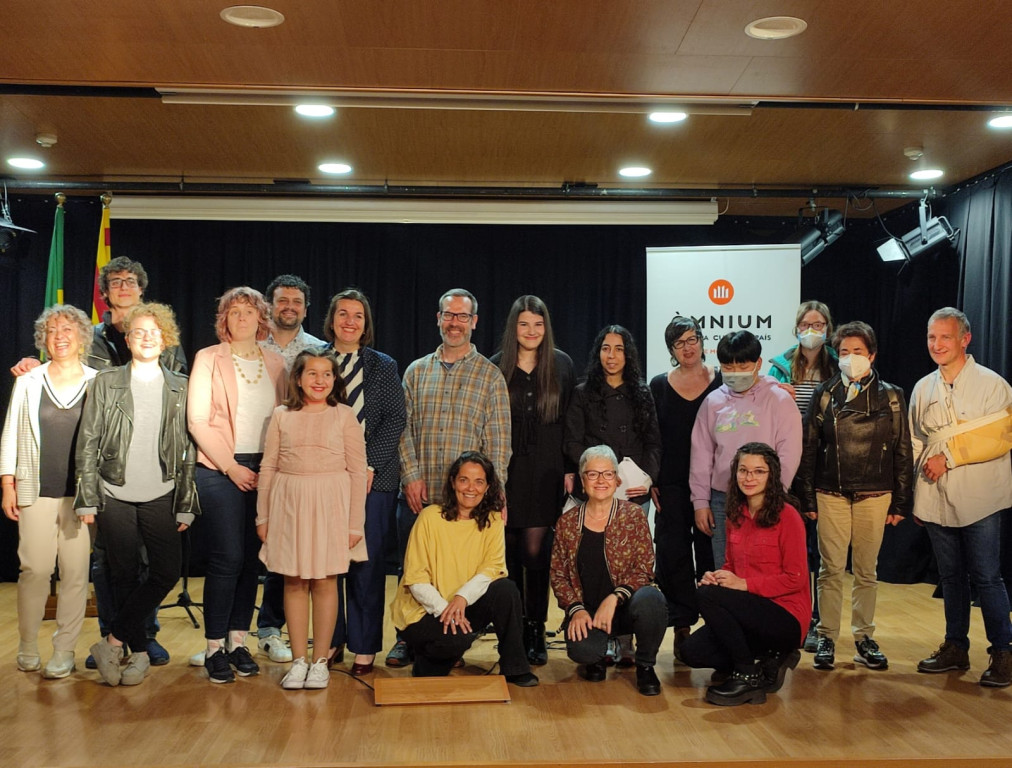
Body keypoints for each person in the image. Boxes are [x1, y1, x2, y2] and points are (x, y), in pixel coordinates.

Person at [10, 255, 185, 668]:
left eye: (131, 281)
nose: (124, 287)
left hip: (152, 469)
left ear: (142, 289)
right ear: (104, 293)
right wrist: (33, 364)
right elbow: (65, 373)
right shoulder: (94, 339)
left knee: (152, 562)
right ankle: (118, 635)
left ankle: (139, 633)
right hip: (106, 474)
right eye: (115, 282)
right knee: (111, 562)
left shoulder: (162, 340)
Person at [76, 303, 199, 686]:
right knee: (123, 573)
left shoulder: (181, 386)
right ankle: (141, 653)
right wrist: (87, 496)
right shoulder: (105, 381)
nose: (147, 338)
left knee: (164, 571)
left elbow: (189, 449)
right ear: (127, 339)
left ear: (167, 339)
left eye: (154, 332)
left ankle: (113, 642)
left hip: (162, 491)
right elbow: (88, 441)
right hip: (114, 491)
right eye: (139, 332)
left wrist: (186, 503)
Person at [387, 288, 511, 667]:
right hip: (419, 494)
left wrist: (497, 494)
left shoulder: (490, 376)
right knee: (412, 572)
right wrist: (410, 475)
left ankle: (452, 630)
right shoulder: (415, 371)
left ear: (474, 322)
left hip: (470, 500)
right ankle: (406, 639)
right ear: (438, 318)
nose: (455, 322)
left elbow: (499, 442)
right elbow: (401, 430)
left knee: (461, 573)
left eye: (462, 316)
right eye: (448, 315)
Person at [796, 321, 913, 671]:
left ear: (872, 355)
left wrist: (902, 499)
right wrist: (808, 498)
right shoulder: (826, 393)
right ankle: (827, 635)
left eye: (858, 352)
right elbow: (810, 448)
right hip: (830, 491)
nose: (850, 358)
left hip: (875, 492)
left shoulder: (892, 395)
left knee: (866, 570)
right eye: (844, 352)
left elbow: (902, 448)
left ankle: (864, 637)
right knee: (830, 569)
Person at [188, 287, 287, 684]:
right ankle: (214, 647)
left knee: (251, 560)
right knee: (227, 557)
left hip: (265, 470)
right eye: (234, 311)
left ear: (261, 318)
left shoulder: (276, 362)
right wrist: (231, 467)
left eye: (249, 311)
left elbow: (283, 418)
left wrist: (272, 469)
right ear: (224, 320)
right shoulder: (208, 358)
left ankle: (238, 642)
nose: (242, 317)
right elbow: (198, 420)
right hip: (219, 468)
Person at [909, 307, 1012, 687]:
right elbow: (916, 440)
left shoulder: (992, 384)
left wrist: (949, 457)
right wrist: (917, 494)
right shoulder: (923, 387)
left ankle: (1003, 651)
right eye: (932, 338)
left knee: (987, 576)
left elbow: (1000, 435)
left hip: (981, 494)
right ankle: (956, 646)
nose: (937, 345)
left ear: (965, 339)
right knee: (951, 577)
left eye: (945, 337)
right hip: (936, 494)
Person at [256, 350, 368, 689]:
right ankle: (298, 660)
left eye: (327, 374)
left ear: (335, 380)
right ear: (299, 378)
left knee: (324, 582)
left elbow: (357, 470)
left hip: (331, 505)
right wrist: (263, 515)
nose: (320, 380)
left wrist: (354, 524)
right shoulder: (281, 416)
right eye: (312, 374)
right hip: (289, 504)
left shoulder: (344, 416)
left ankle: (321, 660)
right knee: (293, 582)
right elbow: (269, 466)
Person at [1, 305, 97, 679]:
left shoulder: (98, 380)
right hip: (34, 490)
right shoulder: (27, 381)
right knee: (35, 570)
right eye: (53, 330)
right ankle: (27, 645)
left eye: (68, 329)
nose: (60, 335)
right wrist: (7, 483)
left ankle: (64, 649)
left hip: (81, 496)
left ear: (81, 337)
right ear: (44, 339)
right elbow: (11, 433)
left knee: (75, 574)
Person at [389, 451, 538, 687]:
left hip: (464, 605)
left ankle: (516, 668)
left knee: (506, 590)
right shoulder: (430, 517)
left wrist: (461, 598)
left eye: (479, 481)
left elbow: (492, 569)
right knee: (456, 641)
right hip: (423, 611)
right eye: (464, 480)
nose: (471, 488)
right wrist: (446, 610)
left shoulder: (493, 520)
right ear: (453, 482)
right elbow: (416, 579)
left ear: (488, 487)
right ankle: (427, 660)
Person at [680, 442, 809, 706]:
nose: (749, 478)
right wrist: (718, 578)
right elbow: (731, 565)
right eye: (743, 470)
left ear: (771, 475)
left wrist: (744, 584)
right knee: (690, 652)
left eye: (758, 471)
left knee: (707, 596)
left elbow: (796, 578)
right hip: (750, 610)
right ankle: (768, 658)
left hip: (786, 615)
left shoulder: (788, 516)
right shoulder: (735, 515)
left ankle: (747, 675)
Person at [323, 288, 406, 675]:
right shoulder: (315, 362)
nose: (350, 322)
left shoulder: (383, 365)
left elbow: (394, 419)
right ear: (332, 319)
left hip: (375, 480)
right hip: (322, 478)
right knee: (327, 564)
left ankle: (364, 645)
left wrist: (368, 466)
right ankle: (332, 638)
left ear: (366, 323)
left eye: (358, 315)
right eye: (343, 314)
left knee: (366, 566)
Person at [491, 295, 575, 666]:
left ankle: (536, 627)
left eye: (538, 325)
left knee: (536, 554)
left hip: (546, 471)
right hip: (506, 472)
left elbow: (572, 422)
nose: (531, 332)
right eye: (524, 324)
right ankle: (510, 630)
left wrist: (572, 468)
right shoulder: (495, 367)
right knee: (506, 556)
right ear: (514, 328)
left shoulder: (562, 365)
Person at [550, 445, 666, 696]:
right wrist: (575, 609)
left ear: (617, 480)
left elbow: (644, 567)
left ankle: (645, 666)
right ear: (582, 481)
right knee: (582, 651)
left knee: (652, 600)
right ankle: (598, 656)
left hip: (625, 607)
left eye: (608, 474)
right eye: (593, 474)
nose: (601, 480)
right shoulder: (567, 523)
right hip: (589, 611)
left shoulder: (633, 515)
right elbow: (558, 575)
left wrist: (615, 597)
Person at [255, 274, 325, 664]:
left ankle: (271, 628)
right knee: (245, 550)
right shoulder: (249, 344)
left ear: (305, 307)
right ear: (270, 304)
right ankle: (231, 634)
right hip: (249, 454)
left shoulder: (317, 350)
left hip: (297, 462)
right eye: (283, 301)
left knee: (286, 553)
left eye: (297, 302)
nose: (290, 308)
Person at [690, 330, 803, 569]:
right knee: (725, 566)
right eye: (727, 366)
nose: (734, 372)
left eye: (742, 365)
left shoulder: (779, 400)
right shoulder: (712, 402)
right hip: (722, 500)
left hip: (766, 500)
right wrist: (700, 502)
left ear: (758, 363)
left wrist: (776, 493)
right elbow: (701, 455)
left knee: (764, 566)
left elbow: (789, 452)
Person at [649, 315, 722, 659]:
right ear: (671, 350)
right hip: (672, 484)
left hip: (713, 482)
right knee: (673, 554)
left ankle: (715, 623)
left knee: (710, 554)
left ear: (703, 341)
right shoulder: (659, 385)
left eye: (692, 339)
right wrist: (652, 480)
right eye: (679, 343)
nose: (688, 347)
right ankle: (681, 624)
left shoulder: (722, 380)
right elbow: (653, 437)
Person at [767, 300, 839, 652]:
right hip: (786, 463)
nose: (812, 330)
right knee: (786, 543)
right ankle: (788, 613)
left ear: (828, 328)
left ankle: (817, 622)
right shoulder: (779, 367)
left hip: (824, 464)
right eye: (806, 324)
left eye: (819, 324)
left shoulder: (839, 366)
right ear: (796, 328)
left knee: (817, 547)